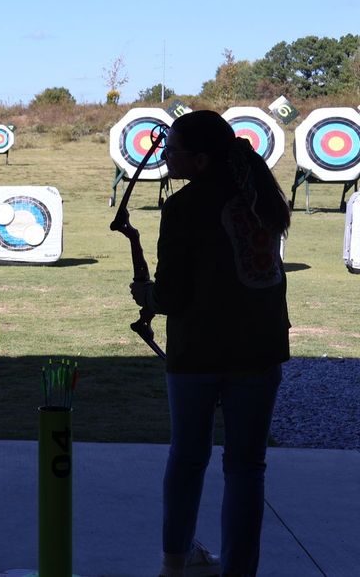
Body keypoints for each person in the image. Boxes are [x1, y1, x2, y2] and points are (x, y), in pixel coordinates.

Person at [130, 110, 291, 577]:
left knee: (188, 456)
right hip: (259, 349)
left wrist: (146, 295)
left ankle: (174, 565)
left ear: (200, 161)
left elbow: (173, 294)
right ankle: (239, 571)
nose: (164, 156)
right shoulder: (261, 198)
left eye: (173, 151)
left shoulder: (184, 207)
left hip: (198, 352)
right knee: (246, 467)